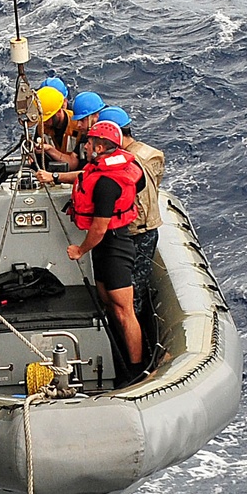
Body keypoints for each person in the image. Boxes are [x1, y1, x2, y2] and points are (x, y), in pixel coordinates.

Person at [40, 120, 145, 381]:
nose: (84, 146)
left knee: (124, 310)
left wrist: (80, 250)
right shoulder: (103, 169)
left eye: (88, 143)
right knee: (108, 302)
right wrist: (54, 177)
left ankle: (136, 369)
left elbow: (99, 229)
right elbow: (85, 175)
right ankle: (117, 352)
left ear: (100, 146)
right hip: (104, 246)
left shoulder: (107, 184)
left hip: (114, 245)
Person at [100, 107, 165, 317]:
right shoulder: (150, 154)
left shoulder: (125, 162)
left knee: (132, 292)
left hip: (136, 231)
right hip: (146, 227)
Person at [37, 90, 103, 171]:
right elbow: (73, 163)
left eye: (82, 120)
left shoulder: (82, 131)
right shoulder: (86, 133)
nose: (78, 125)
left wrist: (55, 177)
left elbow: (88, 173)